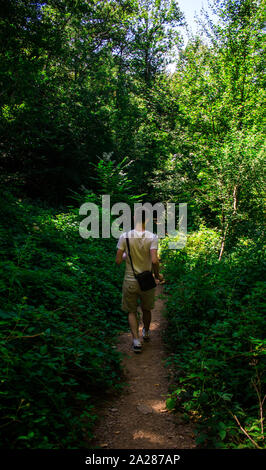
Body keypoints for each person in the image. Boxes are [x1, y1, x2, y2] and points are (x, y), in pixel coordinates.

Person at [115, 208, 164, 353]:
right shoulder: (152, 237)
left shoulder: (125, 236)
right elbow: (154, 260)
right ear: (147, 220)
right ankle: (146, 332)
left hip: (130, 280)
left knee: (131, 311)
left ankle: (136, 341)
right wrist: (157, 275)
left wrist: (126, 256)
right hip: (147, 280)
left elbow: (118, 260)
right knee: (146, 309)